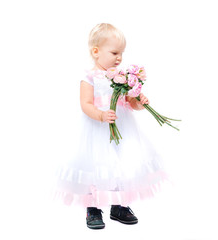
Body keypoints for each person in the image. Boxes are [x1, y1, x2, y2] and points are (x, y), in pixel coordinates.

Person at [54, 23, 168, 230]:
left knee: (120, 164)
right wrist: (99, 114)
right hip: (96, 130)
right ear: (96, 52)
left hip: (121, 130)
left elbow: (129, 103)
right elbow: (85, 104)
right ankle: (93, 207)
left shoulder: (121, 77)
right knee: (95, 165)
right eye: (114, 52)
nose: (119, 58)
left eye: (122, 53)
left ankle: (118, 205)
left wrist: (138, 102)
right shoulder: (89, 77)